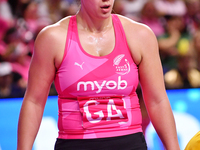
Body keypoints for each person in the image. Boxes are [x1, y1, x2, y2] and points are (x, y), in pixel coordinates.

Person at [17, 0, 180, 150]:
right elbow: (34, 101)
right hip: (75, 144)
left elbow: (157, 100)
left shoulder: (140, 35)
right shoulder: (52, 38)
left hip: (129, 142)